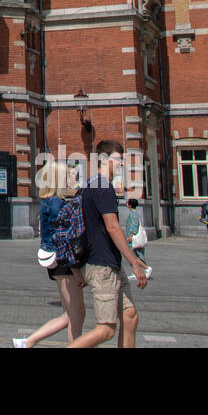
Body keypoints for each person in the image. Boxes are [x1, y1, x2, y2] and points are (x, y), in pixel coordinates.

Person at [68, 141, 149, 348]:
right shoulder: (103, 187)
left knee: (130, 316)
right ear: (103, 160)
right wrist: (135, 262)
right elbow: (112, 227)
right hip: (102, 265)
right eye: (118, 159)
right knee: (106, 329)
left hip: (109, 263)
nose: (122, 164)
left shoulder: (87, 187)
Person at [15, 159, 86, 348]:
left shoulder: (47, 201)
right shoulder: (57, 203)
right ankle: (29, 341)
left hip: (55, 261)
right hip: (64, 262)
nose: (72, 179)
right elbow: (63, 238)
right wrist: (77, 270)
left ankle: (28, 342)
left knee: (70, 314)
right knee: (75, 315)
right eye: (68, 175)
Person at [124, 197, 146, 263]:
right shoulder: (135, 213)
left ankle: (145, 268)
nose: (126, 203)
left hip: (133, 237)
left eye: (127, 202)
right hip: (134, 237)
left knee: (134, 255)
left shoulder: (133, 214)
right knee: (137, 255)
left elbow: (134, 225)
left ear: (130, 205)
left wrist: (131, 235)